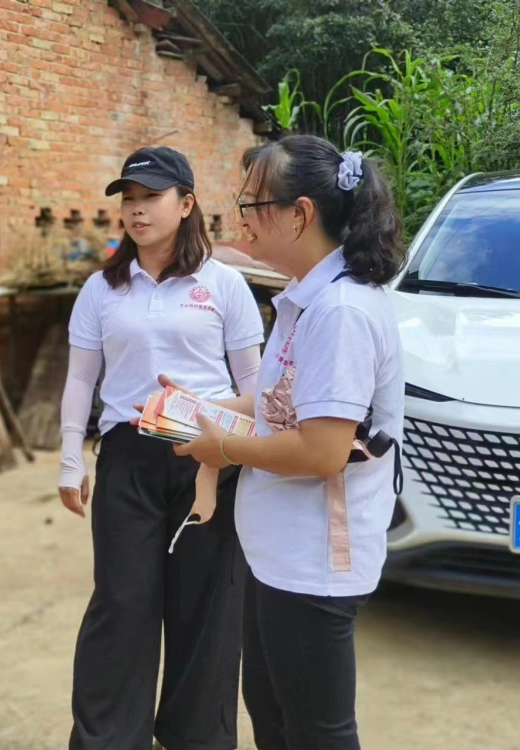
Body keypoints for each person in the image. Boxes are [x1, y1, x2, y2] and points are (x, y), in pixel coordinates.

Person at [172, 135, 405, 750]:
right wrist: (195, 409)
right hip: (279, 551)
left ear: (299, 214)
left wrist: (223, 449)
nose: (241, 219)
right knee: (274, 716)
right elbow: (279, 404)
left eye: (251, 204)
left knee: (315, 732)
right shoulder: (308, 301)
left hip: (314, 562)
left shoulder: (342, 312)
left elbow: (321, 451)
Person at [59, 146, 265, 750]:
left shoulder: (223, 285)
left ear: (187, 203)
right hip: (128, 457)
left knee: (208, 608)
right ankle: (107, 739)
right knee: (121, 603)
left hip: (209, 456)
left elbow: (254, 384)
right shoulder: (102, 288)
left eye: (151, 197)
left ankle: (197, 739)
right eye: (129, 198)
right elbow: (80, 379)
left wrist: (244, 448)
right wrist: (71, 457)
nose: (137, 210)